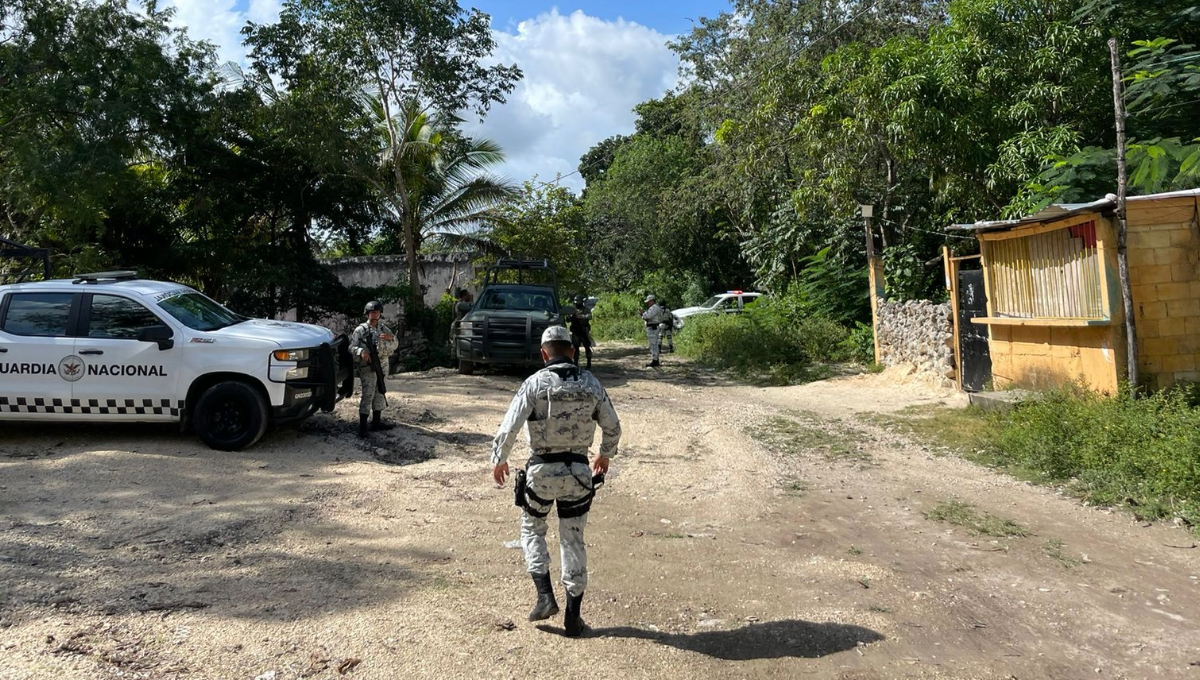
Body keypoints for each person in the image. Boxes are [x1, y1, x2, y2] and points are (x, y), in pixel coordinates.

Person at [491, 326, 622, 637]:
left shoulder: (534, 384)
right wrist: (604, 455)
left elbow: (510, 426)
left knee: (532, 529)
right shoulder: (591, 383)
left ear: (544, 353)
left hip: (541, 474)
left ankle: (544, 596)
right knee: (573, 539)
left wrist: (499, 459)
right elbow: (613, 427)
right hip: (578, 473)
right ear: (572, 352)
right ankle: (573, 618)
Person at [349, 300, 399, 437]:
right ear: (367, 314)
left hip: (382, 363)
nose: (375, 315)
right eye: (372, 312)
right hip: (367, 366)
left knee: (380, 391)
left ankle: (376, 422)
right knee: (368, 393)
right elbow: (351, 347)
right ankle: (363, 426)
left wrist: (390, 338)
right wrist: (361, 352)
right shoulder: (360, 330)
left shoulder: (383, 329)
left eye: (377, 312)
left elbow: (395, 344)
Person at [641, 294, 668, 367]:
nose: (648, 303)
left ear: (652, 301)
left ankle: (655, 360)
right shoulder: (655, 308)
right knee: (653, 344)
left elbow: (648, 316)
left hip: (653, 327)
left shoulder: (654, 308)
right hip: (653, 327)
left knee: (653, 344)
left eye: (648, 302)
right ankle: (655, 359)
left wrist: (643, 314)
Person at [568, 294, 594, 370]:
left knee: (587, 346)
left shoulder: (586, 309)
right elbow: (568, 319)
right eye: (575, 301)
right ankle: (575, 363)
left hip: (584, 330)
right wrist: (570, 317)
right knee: (575, 347)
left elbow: (589, 316)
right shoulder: (572, 309)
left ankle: (589, 362)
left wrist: (580, 317)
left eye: (578, 301)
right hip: (576, 330)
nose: (576, 303)